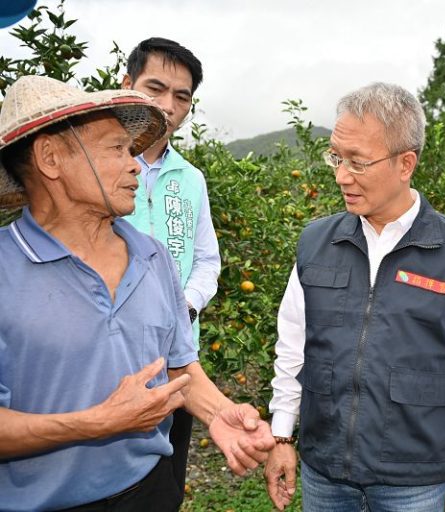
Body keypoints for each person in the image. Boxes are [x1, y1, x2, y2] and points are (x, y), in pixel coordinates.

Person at [0, 75, 273, 511]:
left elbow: (180, 369)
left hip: (150, 492)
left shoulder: (152, 256)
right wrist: (95, 423)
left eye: (131, 150)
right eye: (115, 149)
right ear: (51, 159)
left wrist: (221, 414)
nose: (134, 165)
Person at [264, 82, 445, 512]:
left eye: (357, 162)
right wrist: (282, 435)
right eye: (336, 157)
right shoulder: (316, 242)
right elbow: (292, 348)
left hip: (418, 481)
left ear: (405, 163)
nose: (340, 175)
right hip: (325, 475)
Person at [120, 37, 221, 494]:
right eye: (155, 88)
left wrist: (186, 306)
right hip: (115, 356)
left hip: (179, 362)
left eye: (182, 96)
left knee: (166, 484)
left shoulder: (191, 178)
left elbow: (206, 260)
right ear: (127, 85)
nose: (168, 104)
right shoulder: (105, 166)